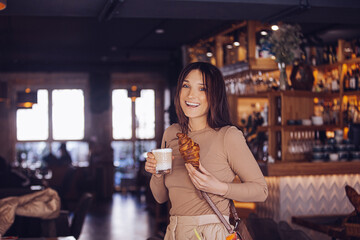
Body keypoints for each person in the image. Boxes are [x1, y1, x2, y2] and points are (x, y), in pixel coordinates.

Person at [145, 62, 268, 239]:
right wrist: (157, 173)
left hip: (211, 233)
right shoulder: (172, 133)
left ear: (215, 95)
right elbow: (160, 198)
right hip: (174, 232)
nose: (191, 95)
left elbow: (261, 190)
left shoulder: (228, 136)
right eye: (186, 86)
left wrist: (218, 187)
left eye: (202, 89)